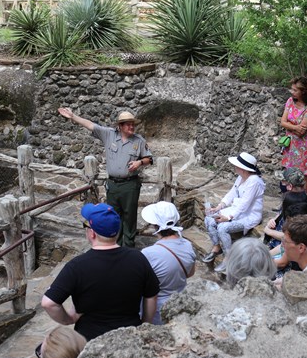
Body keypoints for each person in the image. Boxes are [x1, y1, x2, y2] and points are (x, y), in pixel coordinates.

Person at [41, 203, 160, 340]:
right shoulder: (138, 258)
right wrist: (145, 324)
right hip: (130, 336)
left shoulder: (77, 266)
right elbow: (151, 295)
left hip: (89, 339)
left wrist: (68, 319)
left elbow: (48, 303)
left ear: (92, 233)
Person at [58, 107, 153, 247]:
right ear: (120, 126)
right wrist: (73, 116)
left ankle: (129, 246)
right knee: (114, 216)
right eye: (128, 124)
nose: (131, 126)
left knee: (130, 216)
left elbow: (149, 159)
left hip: (130, 185)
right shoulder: (109, 134)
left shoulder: (139, 141)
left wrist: (139, 162)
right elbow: (90, 125)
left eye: (133, 123)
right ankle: (117, 244)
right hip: (113, 185)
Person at [202, 152, 265, 273]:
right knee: (209, 219)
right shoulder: (241, 177)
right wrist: (219, 207)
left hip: (249, 215)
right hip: (237, 210)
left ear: (243, 169)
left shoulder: (255, 182)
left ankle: (229, 257)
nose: (235, 167)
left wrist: (229, 217)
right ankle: (216, 246)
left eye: (237, 165)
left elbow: (245, 204)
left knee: (222, 228)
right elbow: (232, 193)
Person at [140, 201, 196, 325]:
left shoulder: (148, 253)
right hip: (179, 304)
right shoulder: (188, 245)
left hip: (157, 311)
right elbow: (191, 273)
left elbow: (141, 286)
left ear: (155, 225)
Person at [280, 76, 307, 194]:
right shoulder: (290, 102)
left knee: (305, 174)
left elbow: (302, 132)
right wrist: (296, 127)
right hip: (290, 144)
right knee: (288, 171)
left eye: (295, 90)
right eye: (292, 89)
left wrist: (289, 125)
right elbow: (282, 122)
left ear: (303, 92)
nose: (292, 92)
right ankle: (287, 201)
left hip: (304, 146)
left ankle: (304, 202)